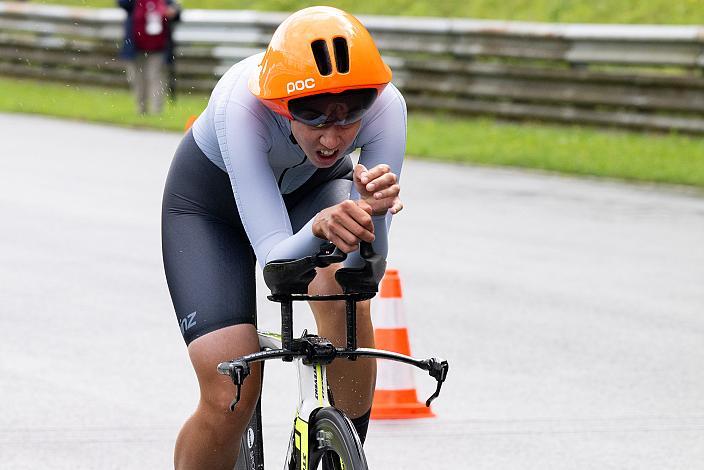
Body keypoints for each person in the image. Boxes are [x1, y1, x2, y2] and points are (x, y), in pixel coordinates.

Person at [161, 6, 406, 469]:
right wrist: (317, 228)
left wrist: (372, 223)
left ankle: (338, 448)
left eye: (349, 116)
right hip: (211, 211)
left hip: (313, 193)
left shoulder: (387, 106)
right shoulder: (243, 105)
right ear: (280, 105)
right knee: (230, 389)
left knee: (343, 292)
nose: (333, 139)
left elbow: (365, 275)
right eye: (312, 116)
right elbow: (277, 264)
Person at [118, 0, 181, 114]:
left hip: (159, 47)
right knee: (137, 78)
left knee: (156, 77)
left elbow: (176, 12)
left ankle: (156, 111)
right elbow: (122, 4)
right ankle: (140, 110)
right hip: (136, 46)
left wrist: (172, 11)